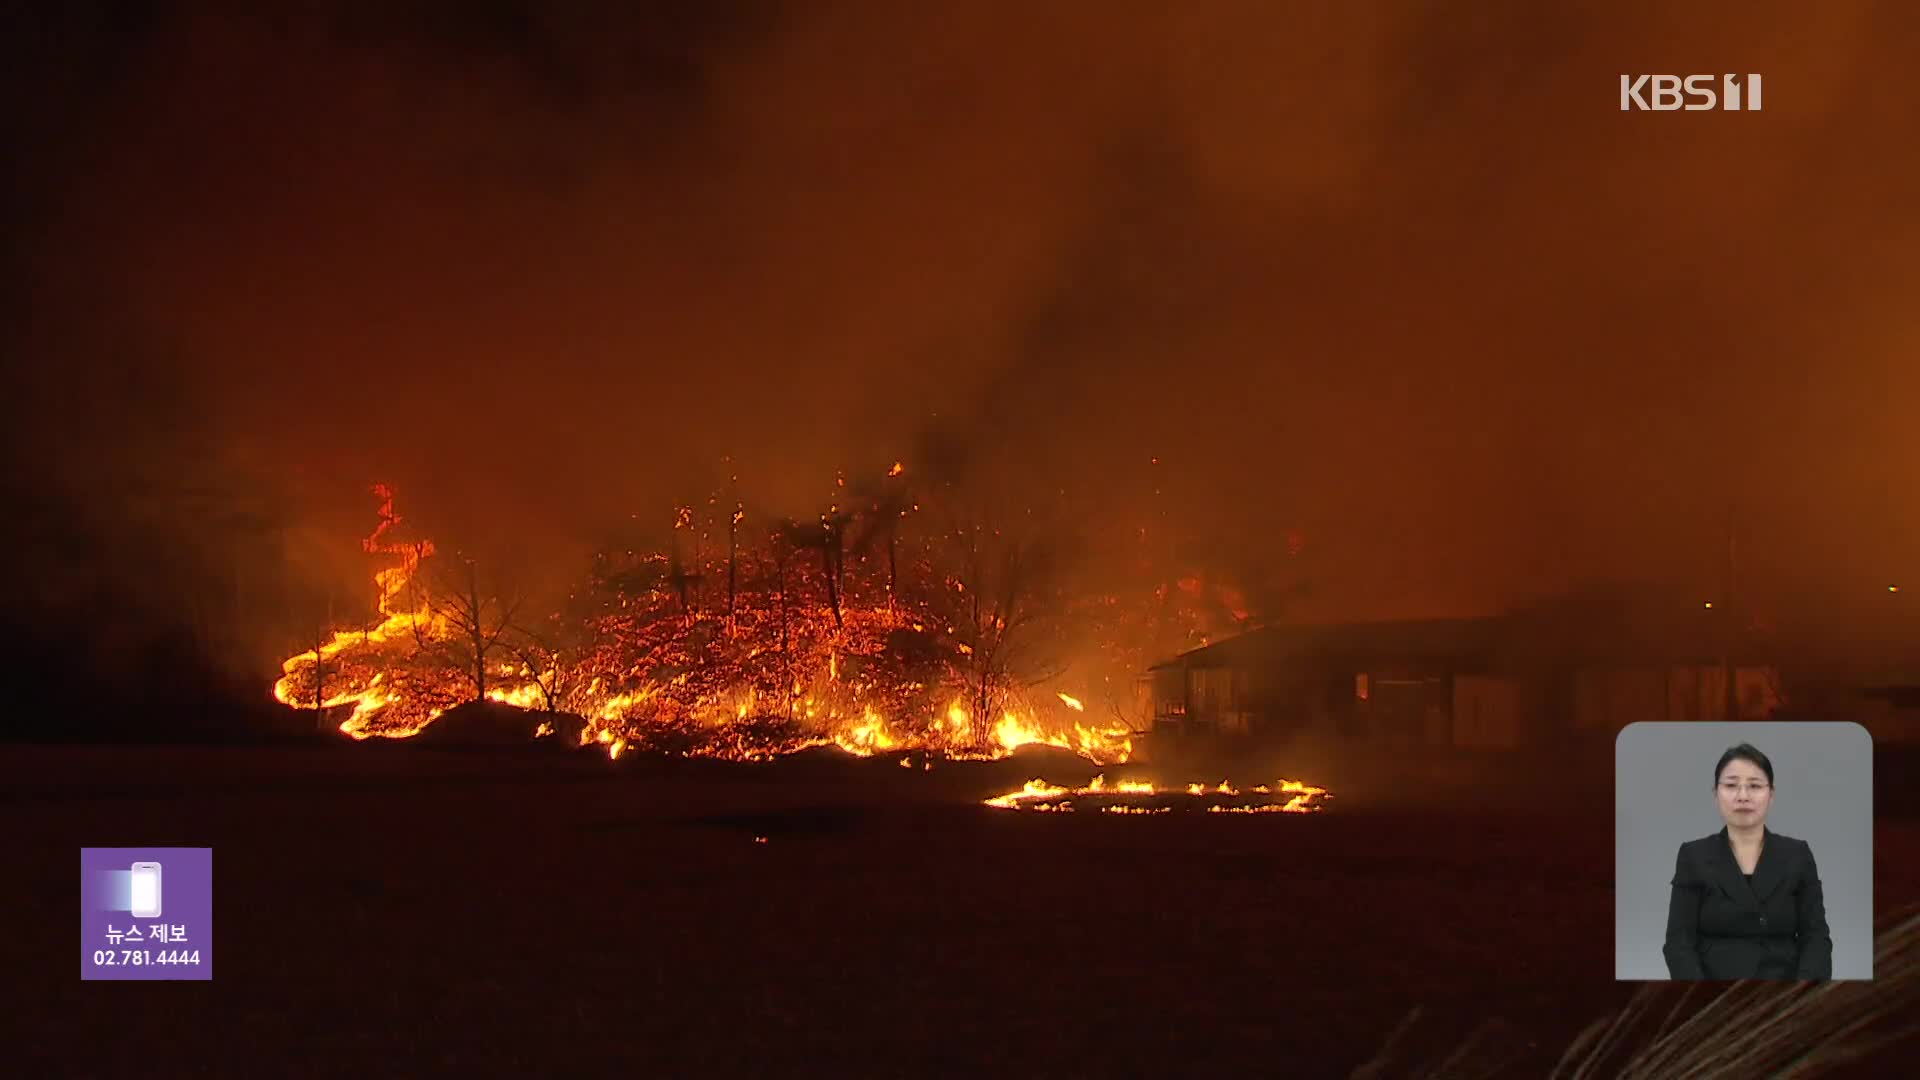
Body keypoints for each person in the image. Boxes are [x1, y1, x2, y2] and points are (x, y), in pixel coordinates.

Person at [1663, 743, 1832, 979]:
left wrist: (1802, 992)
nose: (1743, 796)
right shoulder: (1693, 855)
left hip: (1784, 989)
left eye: (1754, 786)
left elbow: (1816, 937)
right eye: (1731, 785)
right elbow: (1678, 942)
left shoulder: (1797, 854)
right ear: (1716, 794)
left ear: (1771, 794)